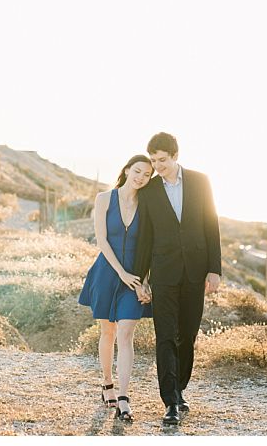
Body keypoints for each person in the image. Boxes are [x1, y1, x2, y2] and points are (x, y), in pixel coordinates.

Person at [132, 132, 221, 426]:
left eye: (162, 160)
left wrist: (214, 268)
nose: (158, 166)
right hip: (164, 275)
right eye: (154, 161)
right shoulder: (149, 192)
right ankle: (170, 401)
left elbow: (211, 225)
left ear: (175, 156)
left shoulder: (200, 181)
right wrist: (140, 278)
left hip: (196, 271)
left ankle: (180, 390)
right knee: (166, 336)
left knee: (188, 335)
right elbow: (145, 239)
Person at [77, 154, 154, 422]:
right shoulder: (104, 199)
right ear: (127, 169)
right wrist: (121, 273)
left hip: (135, 279)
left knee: (126, 331)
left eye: (147, 175)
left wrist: (145, 280)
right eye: (138, 171)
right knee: (107, 331)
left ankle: (123, 396)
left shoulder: (148, 205)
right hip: (108, 273)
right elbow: (102, 240)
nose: (141, 178)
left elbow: (151, 247)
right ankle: (107, 383)